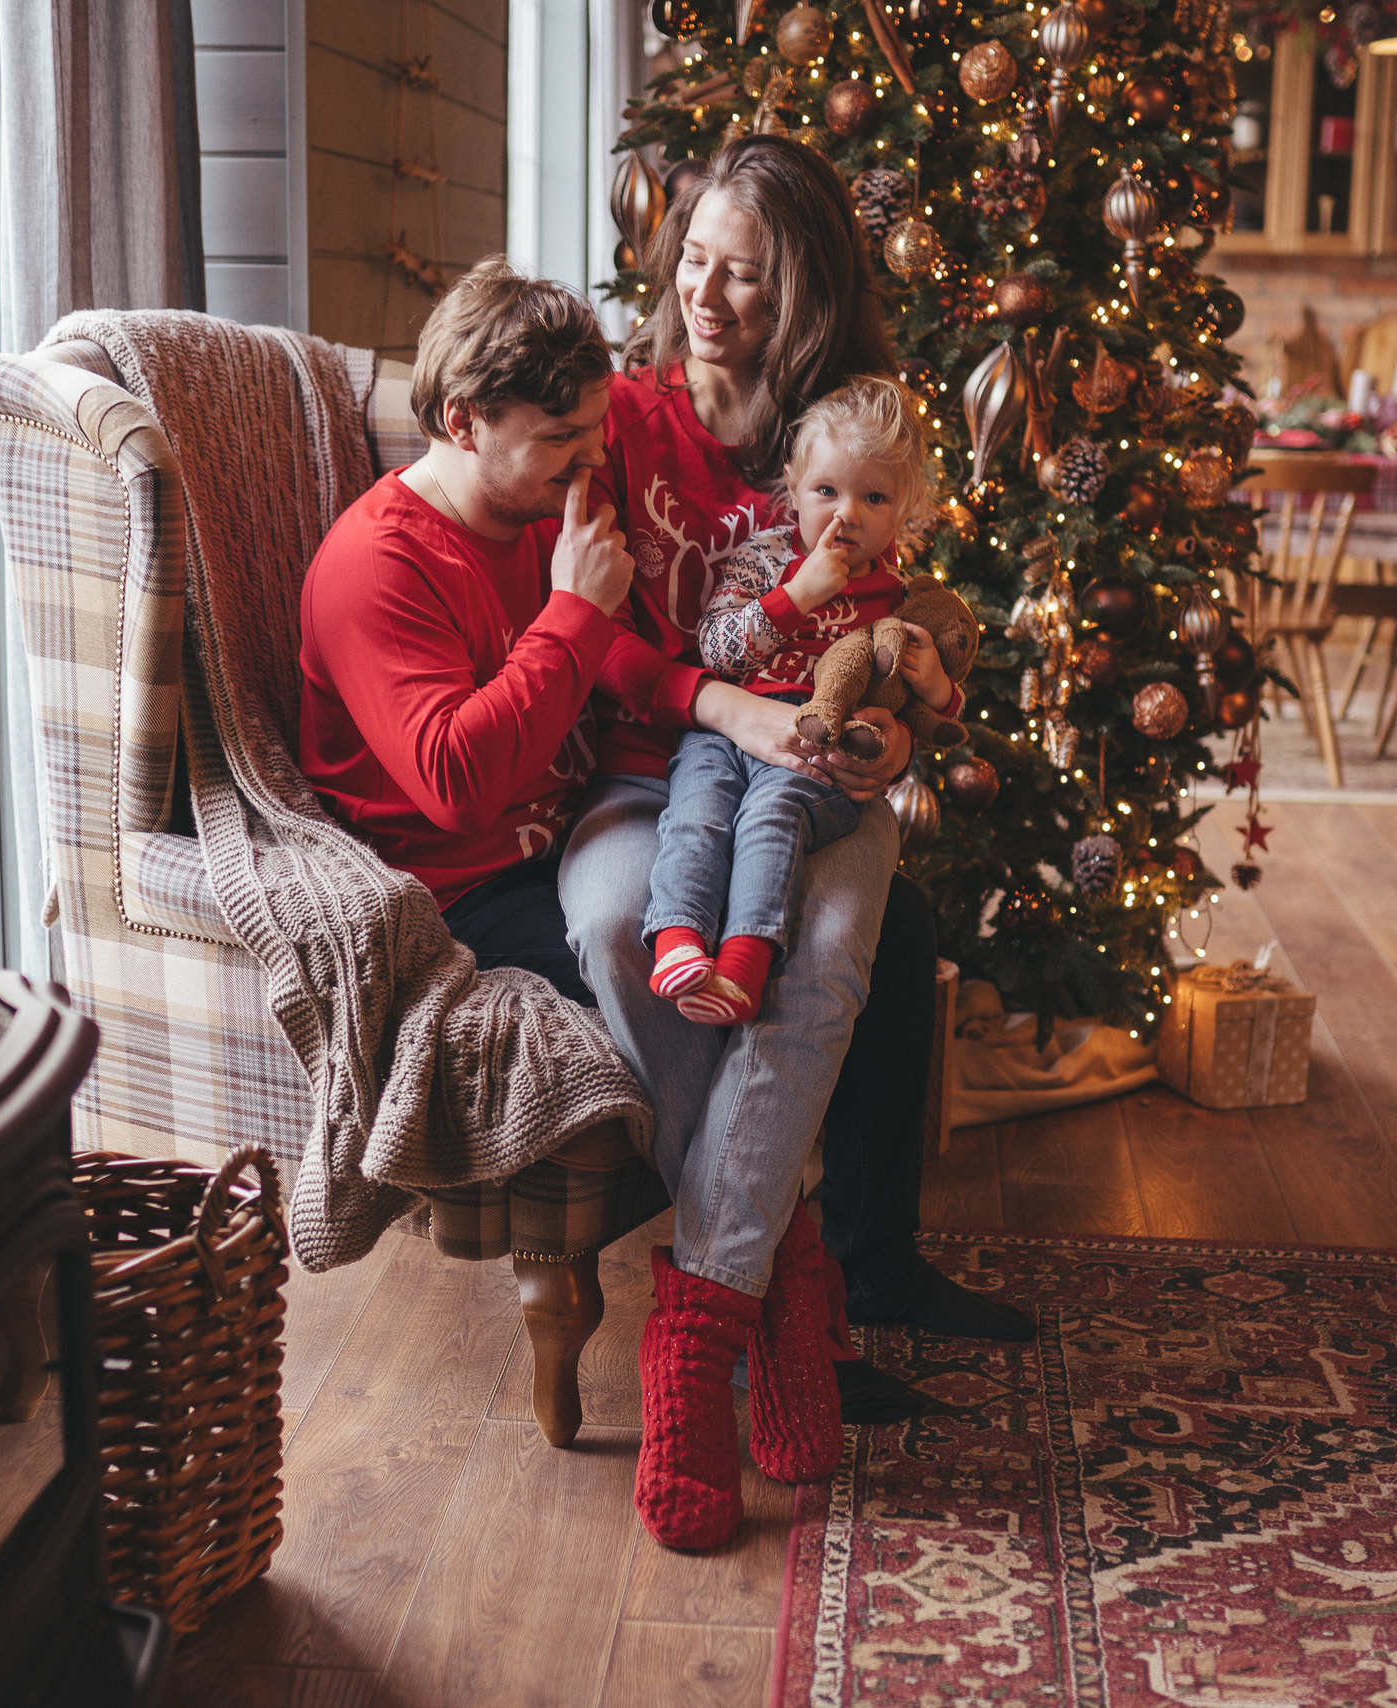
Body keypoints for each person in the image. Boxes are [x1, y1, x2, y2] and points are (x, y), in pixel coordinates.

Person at [297, 259, 850, 1554]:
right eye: (557, 445)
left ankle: (776, 1282)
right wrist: (568, 611)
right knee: (703, 1001)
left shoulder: (542, 506)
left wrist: (722, 708)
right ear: (460, 424)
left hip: (570, 832)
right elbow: (451, 783)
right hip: (462, 891)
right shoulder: (375, 566)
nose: (582, 466)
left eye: (593, 436)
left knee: (788, 947)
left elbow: (615, 664)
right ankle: (763, 1300)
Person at [568, 135, 1036, 1382]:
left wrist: (896, 732)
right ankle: (770, 1284)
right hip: (644, 764)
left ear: (807, 297)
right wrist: (723, 706)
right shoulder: (620, 424)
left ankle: (843, 1266)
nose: (704, 303)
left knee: (840, 945)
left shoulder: (845, 437)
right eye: (695, 265)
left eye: (749, 280)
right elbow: (588, 639)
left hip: (813, 775)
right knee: (625, 924)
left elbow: (905, 628)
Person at [645, 375, 958, 1026]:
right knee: (696, 812)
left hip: (818, 750)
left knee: (769, 820)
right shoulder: (765, 559)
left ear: (904, 510)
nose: (847, 515)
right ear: (793, 488)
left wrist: (932, 684)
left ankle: (742, 966)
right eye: (826, 491)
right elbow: (717, 651)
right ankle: (678, 940)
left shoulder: (900, 598)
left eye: (873, 498)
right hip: (726, 732)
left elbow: (930, 712)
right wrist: (798, 596)